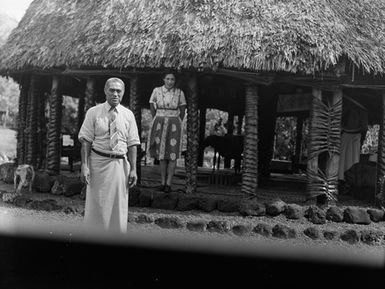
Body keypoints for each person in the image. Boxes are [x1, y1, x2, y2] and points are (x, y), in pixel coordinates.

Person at [78, 78, 140, 233]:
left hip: (119, 165)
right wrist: (85, 166)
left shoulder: (128, 115)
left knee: (118, 206)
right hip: (97, 164)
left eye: (119, 91)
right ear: (105, 90)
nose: (115, 94)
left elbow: (132, 144)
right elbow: (85, 141)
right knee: (96, 206)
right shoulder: (94, 112)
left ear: (123, 93)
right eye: (112, 90)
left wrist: (133, 170)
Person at [148, 72, 186, 193]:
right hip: (159, 121)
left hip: (174, 123)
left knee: (172, 154)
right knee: (162, 154)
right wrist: (157, 118)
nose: (170, 81)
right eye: (168, 79)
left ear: (175, 81)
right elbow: (152, 104)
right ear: (163, 79)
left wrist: (177, 120)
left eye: (172, 79)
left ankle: (169, 184)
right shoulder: (157, 91)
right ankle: (162, 182)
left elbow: (183, 109)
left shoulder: (180, 92)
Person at [338, 97, 368, 194]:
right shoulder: (345, 109)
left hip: (356, 136)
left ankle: (349, 183)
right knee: (342, 160)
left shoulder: (363, 112)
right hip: (346, 134)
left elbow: (364, 128)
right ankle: (342, 181)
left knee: (353, 161)